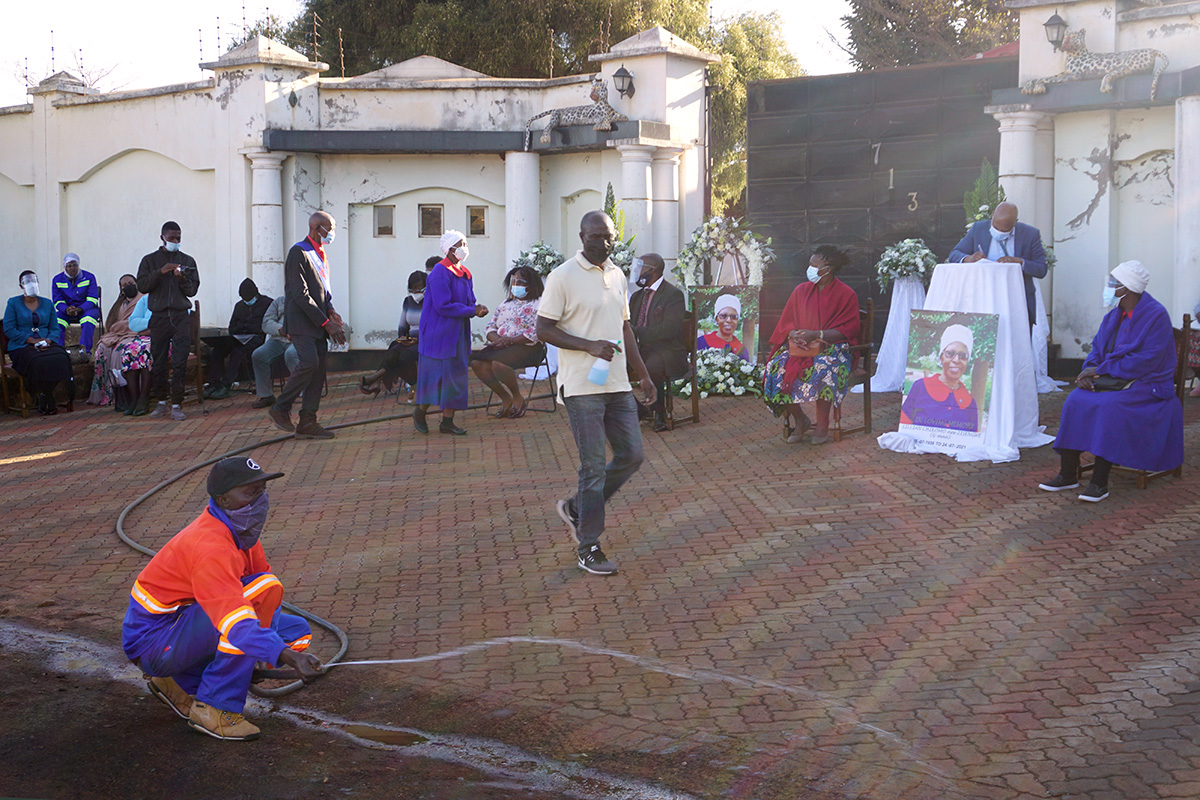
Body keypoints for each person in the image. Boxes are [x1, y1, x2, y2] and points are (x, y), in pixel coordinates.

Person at [121, 456, 324, 741]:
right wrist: (286, 656)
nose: (260, 500)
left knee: (296, 632)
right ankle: (215, 708)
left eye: (262, 490)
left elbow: (259, 603)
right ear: (223, 500)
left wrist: (269, 652)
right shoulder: (211, 546)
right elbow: (239, 617)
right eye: (250, 492)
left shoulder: (240, 533)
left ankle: (180, 684)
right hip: (155, 644)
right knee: (257, 602)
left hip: (181, 631)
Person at [537, 210, 657, 576]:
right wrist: (587, 346)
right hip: (581, 386)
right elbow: (543, 328)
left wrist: (644, 376)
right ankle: (588, 546)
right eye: (594, 237)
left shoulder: (617, 274)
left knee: (632, 455)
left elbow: (625, 330)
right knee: (592, 468)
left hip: (617, 383)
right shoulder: (562, 277)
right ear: (581, 237)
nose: (602, 243)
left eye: (608, 237)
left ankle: (577, 508)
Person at [1038, 260, 1184, 502]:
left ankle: (1099, 482)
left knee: (1109, 407)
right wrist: (1088, 371)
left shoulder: (1156, 315)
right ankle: (1068, 474)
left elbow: (1147, 361)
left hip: (1148, 385)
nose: (1109, 286)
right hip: (1112, 381)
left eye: (1113, 282)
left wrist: (1101, 370)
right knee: (1075, 400)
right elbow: (1096, 349)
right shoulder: (1113, 315)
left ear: (1127, 287)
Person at [763, 245, 861, 445]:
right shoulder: (800, 291)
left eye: (815, 265)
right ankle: (801, 420)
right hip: (800, 347)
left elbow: (849, 329)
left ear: (829, 269)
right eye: (810, 264)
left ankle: (823, 423)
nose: (811, 268)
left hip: (832, 347)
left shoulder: (846, 294)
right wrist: (794, 334)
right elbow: (786, 323)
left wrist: (817, 334)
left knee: (822, 368)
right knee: (776, 369)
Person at [268, 211, 348, 439]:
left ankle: (308, 422)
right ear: (317, 228)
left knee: (319, 370)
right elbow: (299, 294)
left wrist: (331, 313)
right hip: (302, 323)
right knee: (309, 363)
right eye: (329, 228)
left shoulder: (320, 254)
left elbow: (324, 291)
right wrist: (325, 323)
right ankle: (280, 407)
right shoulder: (299, 252)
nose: (332, 233)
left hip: (319, 322)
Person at [414, 230, 488, 436]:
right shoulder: (439, 273)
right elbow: (442, 305)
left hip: (457, 333)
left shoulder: (464, 273)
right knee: (434, 378)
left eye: (465, 242)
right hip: (438, 334)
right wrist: (470, 310)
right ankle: (420, 412)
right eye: (461, 243)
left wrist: (476, 307)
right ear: (450, 249)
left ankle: (447, 421)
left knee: (455, 377)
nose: (464, 247)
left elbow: (469, 299)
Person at [136, 220, 200, 421]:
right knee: (159, 362)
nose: (175, 241)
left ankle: (176, 404)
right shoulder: (149, 261)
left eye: (178, 238)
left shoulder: (187, 260)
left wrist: (181, 278)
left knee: (180, 361)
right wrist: (160, 272)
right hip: (160, 317)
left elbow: (192, 290)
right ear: (162, 238)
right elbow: (143, 285)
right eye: (172, 238)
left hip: (180, 316)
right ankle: (161, 402)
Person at [949, 202, 1047, 329]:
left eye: (1004, 230)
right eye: (995, 227)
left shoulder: (1030, 235)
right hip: (982, 298)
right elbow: (954, 254)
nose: (999, 232)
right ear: (992, 217)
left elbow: (1041, 269)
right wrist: (969, 258)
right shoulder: (979, 229)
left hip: (1017, 302)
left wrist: (1020, 262)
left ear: (1015, 223)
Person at [470, 265, 545, 418]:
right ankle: (505, 397)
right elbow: (490, 326)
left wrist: (510, 341)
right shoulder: (506, 304)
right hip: (502, 345)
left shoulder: (540, 303)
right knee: (477, 363)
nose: (516, 286)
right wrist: (498, 340)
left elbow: (538, 330)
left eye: (520, 282)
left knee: (499, 364)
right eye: (514, 282)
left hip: (529, 347)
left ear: (531, 284)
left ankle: (517, 396)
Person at [628, 253, 686, 432]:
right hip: (640, 348)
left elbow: (670, 328)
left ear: (652, 271)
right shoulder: (637, 297)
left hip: (666, 350)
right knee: (611, 365)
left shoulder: (673, 294)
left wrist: (639, 332)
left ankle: (659, 412)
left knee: (652, 366)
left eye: (641, 267)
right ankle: (639, 409)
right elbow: (628, 324)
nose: (637, 271)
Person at [3, 271, 74, 415]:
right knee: (36, 362)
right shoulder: (13, 303)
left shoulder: (47, 303)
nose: (32, 285)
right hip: (22, 345)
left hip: (45, 342)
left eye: (34, 281)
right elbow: (9, 329)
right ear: (21, 286)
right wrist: (30, 340)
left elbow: (55, 328)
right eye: (27, 282)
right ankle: (45, 395)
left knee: (61, 357)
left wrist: (48, 340)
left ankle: (47, 394)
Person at [87, 274, 153, 414]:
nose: (128, 286)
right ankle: (105, 393)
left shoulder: (143, 300)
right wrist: (120, 327)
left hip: (134, 335)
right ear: (121, 289)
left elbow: (137, 324)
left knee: (120, 351)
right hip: (118, 335)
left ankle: (125, 396)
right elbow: (111, 324)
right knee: (102, 349)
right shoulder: (120, 303)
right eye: (124, 285)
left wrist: (121, 326)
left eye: (131, 282)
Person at [899, 324, 980, 432]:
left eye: (963, 356)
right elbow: (904, 424)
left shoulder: (969, 402)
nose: (956, 360)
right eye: (950, 353)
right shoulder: (920, 387)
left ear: (967, 361)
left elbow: (971, 439)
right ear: (941, 357)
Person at [360, 270, 425, 398]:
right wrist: (403, 338)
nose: (415, 294)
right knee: (393, 351)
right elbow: (402, 325)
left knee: (404, 357)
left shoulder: (431, 302)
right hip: (410, 340)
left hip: (426, 340)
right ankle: (378, 380)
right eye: (412, 290)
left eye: (418, 290)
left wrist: (418, 340)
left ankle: (377, 378)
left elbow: (434, 327)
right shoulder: (407, 302)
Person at [204, 279, 269, 400]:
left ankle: (226, 384)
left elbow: (266, 326)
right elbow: (232, 326)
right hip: (238, 338)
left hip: (256, 338)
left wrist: (248, 328)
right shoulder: (239, 306)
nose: (247, 301)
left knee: (237, 352)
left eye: (249, 299)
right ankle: (213, 383)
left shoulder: (267, 303)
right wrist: (238, 331)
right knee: (217, 350)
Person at [250, 295, 300, 409]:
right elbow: (266, 323)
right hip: (278, 339)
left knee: (291, 354)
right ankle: (266, 395)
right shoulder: (279, 301)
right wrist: (280, 330)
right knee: (258, 355)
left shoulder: (306, 301)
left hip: (297, 340)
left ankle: (299, 390)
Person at [52, 252, 102, 353]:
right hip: (66, 311)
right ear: (64, 267)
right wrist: (66, 309)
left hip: (87, 309)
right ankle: (59, 352)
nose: (72, 268)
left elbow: (92, 299)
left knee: (88, 320)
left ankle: (83, 352)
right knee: (56, 321)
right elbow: (57, 301)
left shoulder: (89, 277)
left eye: (74, 265)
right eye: (69, 265)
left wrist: (80, 309)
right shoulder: (57, 279)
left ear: (78, 265)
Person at [697, 294, 751, 361]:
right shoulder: (701, 343)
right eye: (723, 316)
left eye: (734, 316)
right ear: (716, 319)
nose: (729, 320)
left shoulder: (741, 350)